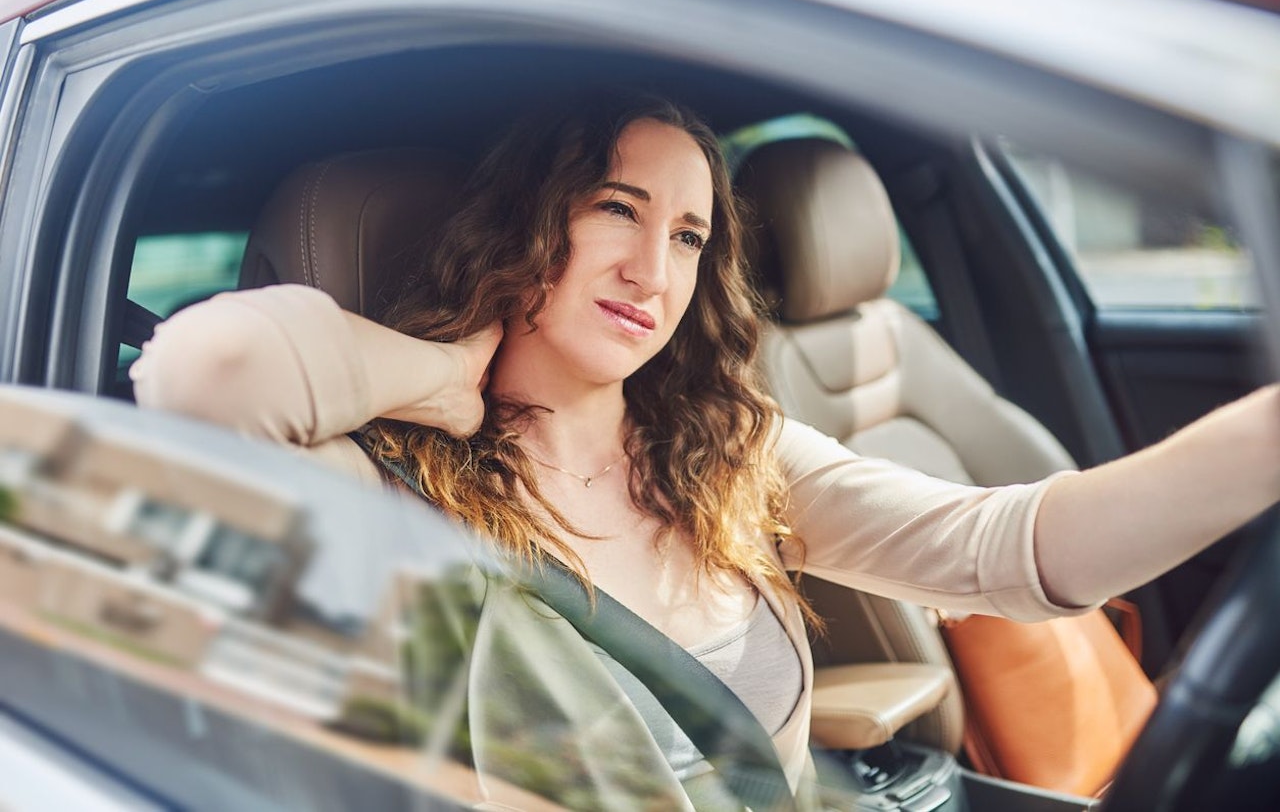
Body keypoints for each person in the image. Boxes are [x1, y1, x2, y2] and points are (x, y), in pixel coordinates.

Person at [130, 93, 1280, 809]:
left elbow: (1012, 548)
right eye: (616, 208)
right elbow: (200, 373)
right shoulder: (382, 486)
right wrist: (440, 378)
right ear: (523, 224)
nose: (654, 270)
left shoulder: (724, 448)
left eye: (687, 235)